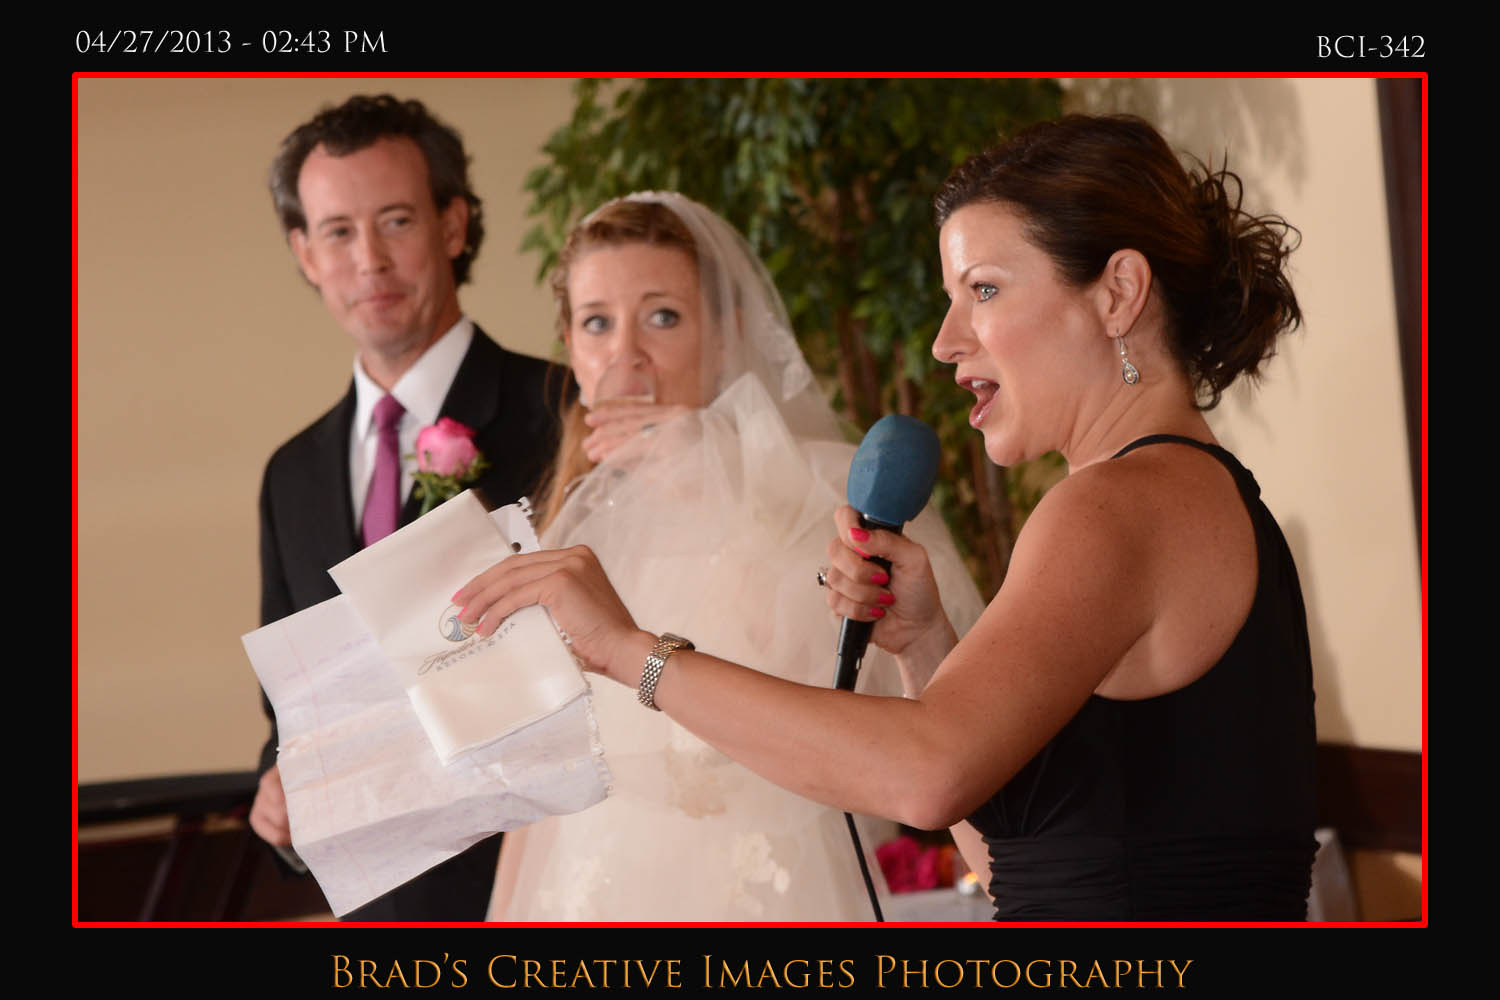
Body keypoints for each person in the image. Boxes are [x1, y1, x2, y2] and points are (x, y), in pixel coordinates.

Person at [457, 116, 1319, 921]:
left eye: (984, 290)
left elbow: (923, 775)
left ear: (1119, 292)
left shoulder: (1113, 505)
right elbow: (1022, 865)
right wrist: (925, 645)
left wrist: (630, 652)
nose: (945, 340)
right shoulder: (1185, 489)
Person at [483, 192, 987, 921]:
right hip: (591, 885)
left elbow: (877, 702)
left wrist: (698, 470)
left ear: (726, 334)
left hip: (770, 888)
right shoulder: (573, 526)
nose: (625, 354)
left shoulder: (826, 485)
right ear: (570, 345)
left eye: (663, 317)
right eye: (596, 323)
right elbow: (543, 778)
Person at [250, 94, 563, 921]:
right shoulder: (291, 476)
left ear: (453, 225)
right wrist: (281, 797)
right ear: (304, 252)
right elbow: (293, 713)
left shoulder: (565, 412)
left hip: (553, 889)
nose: (369, 262)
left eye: (395, 221)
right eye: (337, 232)